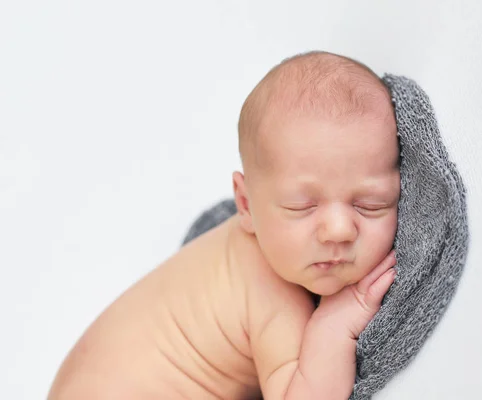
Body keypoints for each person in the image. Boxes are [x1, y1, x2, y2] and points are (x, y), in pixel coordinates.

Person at [48, 50, 401, 400]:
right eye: (302, 206)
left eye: (371, 204)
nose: (339, 230)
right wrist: (335, 326)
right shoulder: (271, 290)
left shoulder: (266, 251)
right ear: (245, 205)